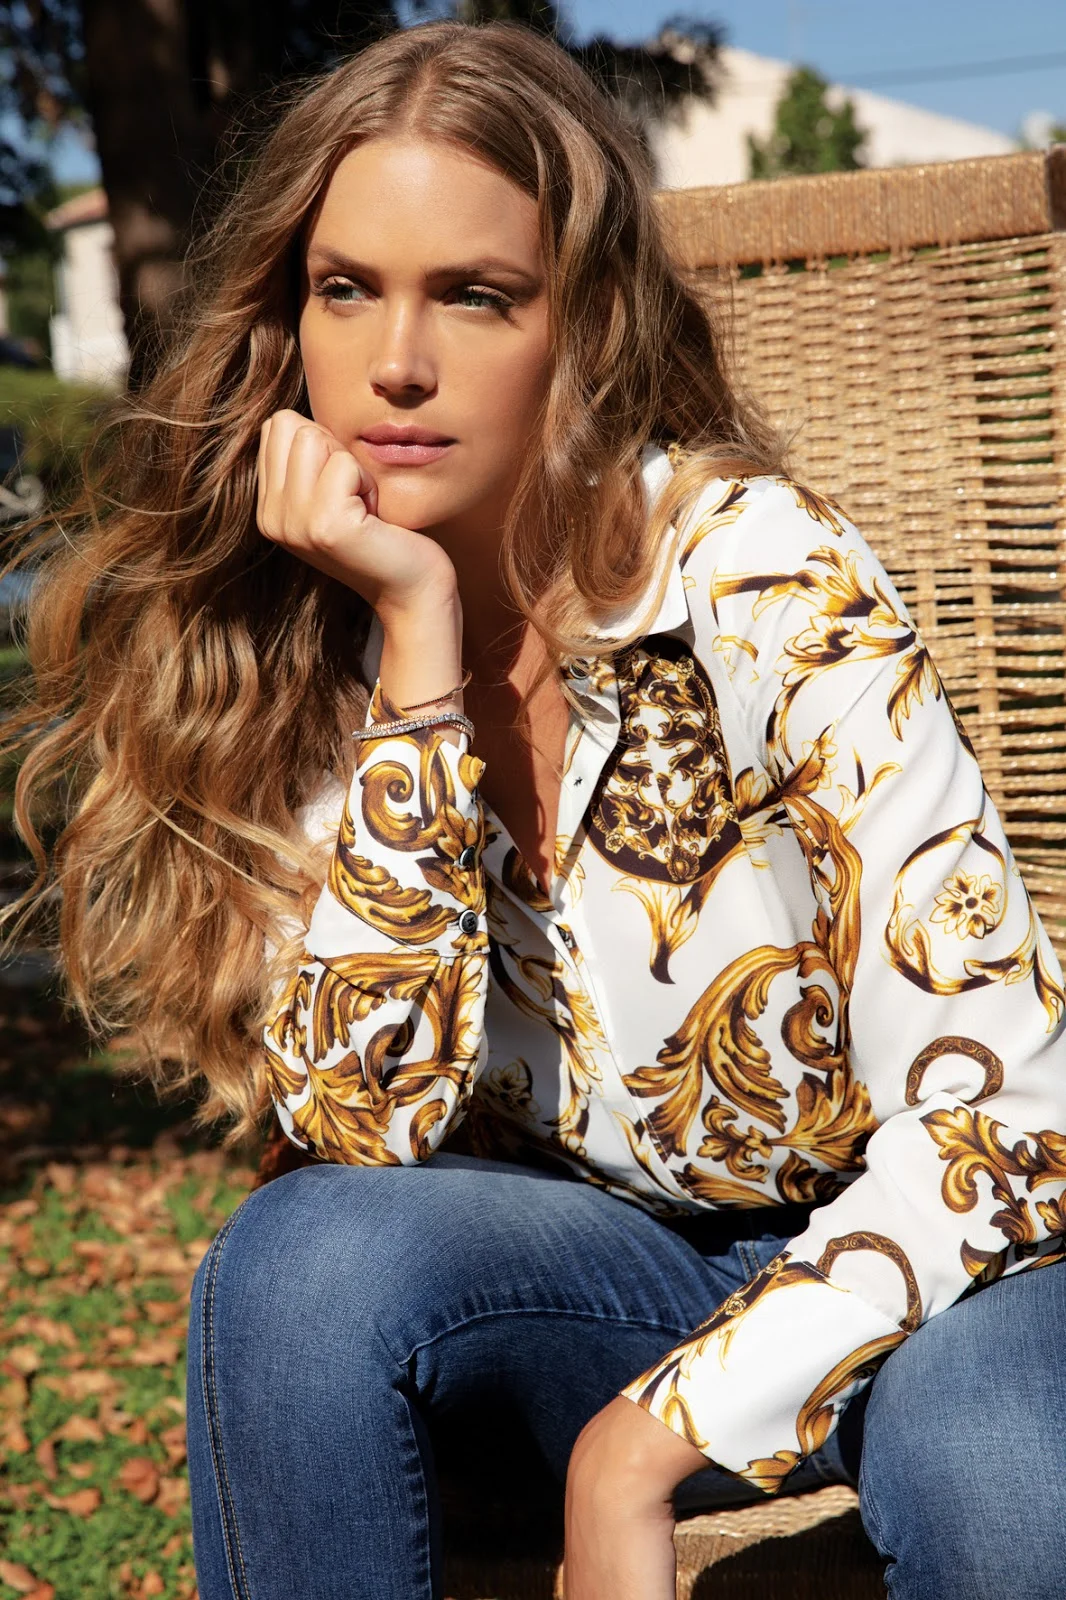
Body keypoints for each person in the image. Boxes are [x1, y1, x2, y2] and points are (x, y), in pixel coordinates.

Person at [7, 19, 1066, 1600]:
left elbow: (1011, 1123)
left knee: (1005, 1474)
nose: (396, 361)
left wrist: (633, 1453)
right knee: (298, 1275)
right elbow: (361, 1131)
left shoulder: (752, 573)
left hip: (933, 1270)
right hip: (613, 1275)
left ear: (585, 330)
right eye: (345, 288)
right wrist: (414, 648)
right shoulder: (317, 634)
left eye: (475, 295)